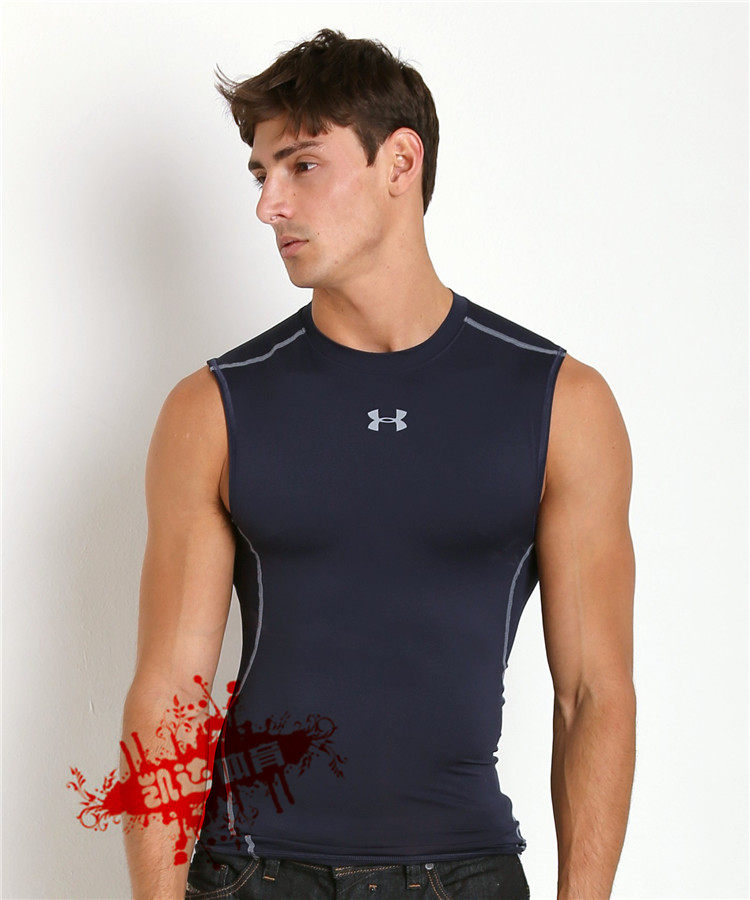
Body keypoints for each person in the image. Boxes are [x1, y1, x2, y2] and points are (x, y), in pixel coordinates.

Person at [121, 28, 636, 900]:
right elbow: (170, 693)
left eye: (302, 166)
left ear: (401, 162)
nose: (269, 205)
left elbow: (593, 693)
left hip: (465, 873)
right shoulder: (212, 409)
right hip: (253, 872)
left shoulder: (561, 403)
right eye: (260, 173)